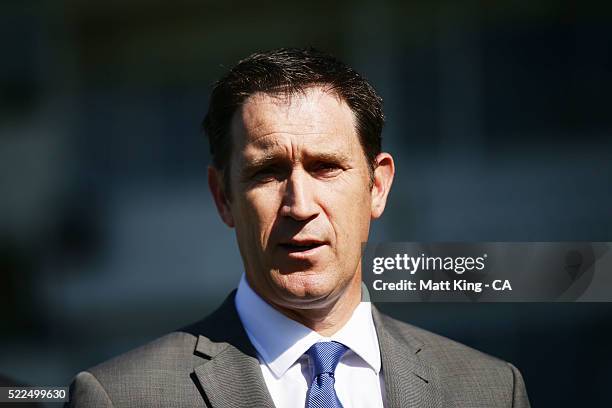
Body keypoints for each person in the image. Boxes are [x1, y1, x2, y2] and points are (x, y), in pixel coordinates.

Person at [67, 48, 530, 408]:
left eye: (326, 167)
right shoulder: (122, 397)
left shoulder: (490, 389)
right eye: (267, 172)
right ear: (223, 196)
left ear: (378, 186)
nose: (299, 205)